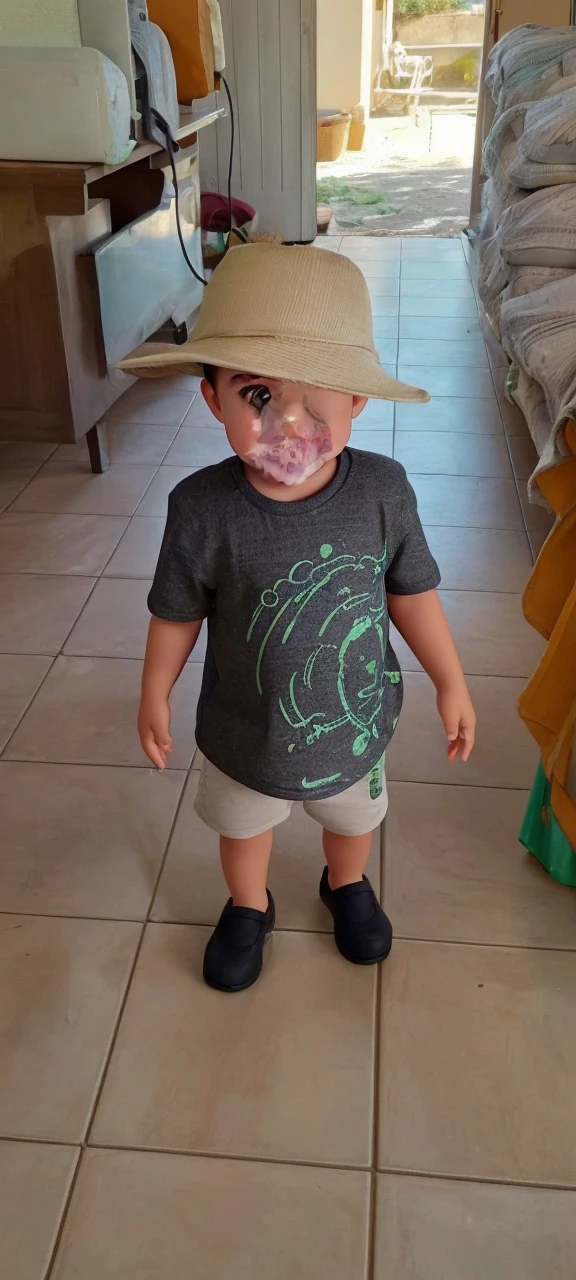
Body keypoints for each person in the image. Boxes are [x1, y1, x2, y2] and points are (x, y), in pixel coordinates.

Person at [124, 243, 476, 993]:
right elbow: (177, 608)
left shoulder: (384, 491)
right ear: (211, 396)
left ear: (358, 400)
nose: (287, 420)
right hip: (242, 729)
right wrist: (155, 688)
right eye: (255, 393)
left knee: (354, 824)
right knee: (243, 831)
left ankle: (344, 886)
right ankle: (249, 905)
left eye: (317, 393)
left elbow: (410, 593)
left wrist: (451, 679)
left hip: (354, 725)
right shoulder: (201, 507)